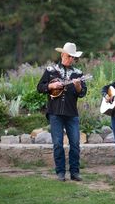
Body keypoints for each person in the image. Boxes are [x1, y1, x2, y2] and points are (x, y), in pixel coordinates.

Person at [37, 42, 87, 182]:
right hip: (55, 113)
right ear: (62, 54)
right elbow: (40, 87)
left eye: (72, 57)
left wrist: (77, 86)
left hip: (72, 114)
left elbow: (82, 93)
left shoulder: (78, 74)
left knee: (75, 144)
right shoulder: (50, 70)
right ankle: (60, 172)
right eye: (68, 56)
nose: (70, 59)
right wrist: (51, 85)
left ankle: (75, 172)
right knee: (58, 143)